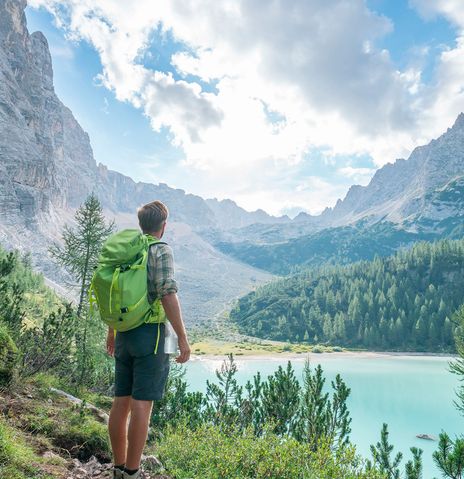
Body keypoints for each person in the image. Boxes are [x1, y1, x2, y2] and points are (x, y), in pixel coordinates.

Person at [106, 200, 191, 479]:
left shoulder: (127, 251)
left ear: (141, 224)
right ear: (163, 226)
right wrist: (182, 337)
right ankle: (132, 471)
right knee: (143, 405)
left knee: (121, 402)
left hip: (123, 334)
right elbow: (167, 293)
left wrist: (112, 331)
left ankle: (118, 468)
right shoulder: (160, 250)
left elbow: (113, 295)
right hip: (151, 335)